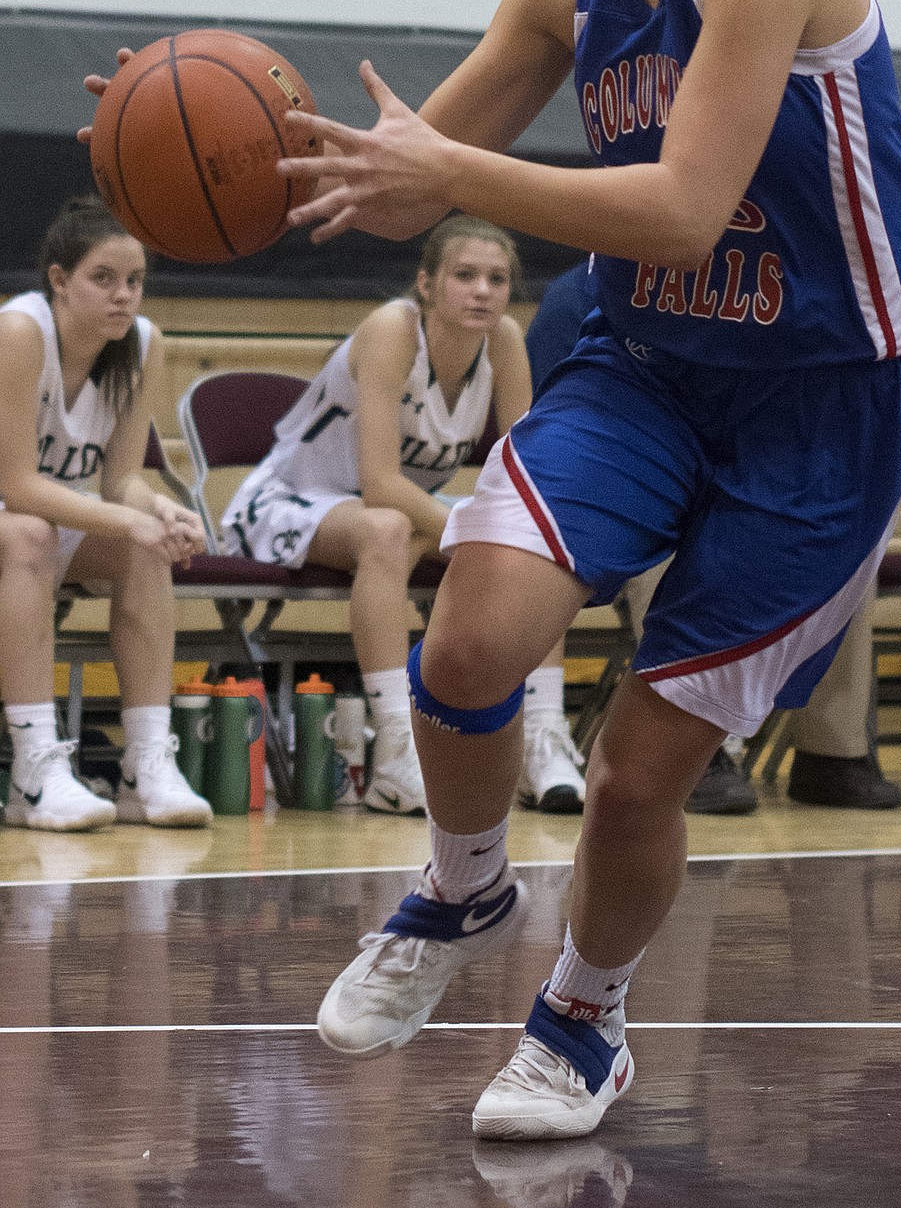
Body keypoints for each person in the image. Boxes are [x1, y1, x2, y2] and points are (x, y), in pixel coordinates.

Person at [287, 0, 901, 1138]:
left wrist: (454, 174)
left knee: (641, 770)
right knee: (472, 631)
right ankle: (458, 893)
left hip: (827, 398)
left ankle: (582, 1018)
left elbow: (679, 209)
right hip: (649, 363)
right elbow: (395, 184)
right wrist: (209, 132)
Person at [219, 216, 588, 815]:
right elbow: (382, 483)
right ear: (426, 283)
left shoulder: (505, 343)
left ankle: (542, 736)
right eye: (464, 276)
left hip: (395, 517)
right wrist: (474, 534)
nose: (482, 291)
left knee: (533, 543)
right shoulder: (393, 330)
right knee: (391, 529)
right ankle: (395, 748)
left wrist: (515, 534)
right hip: (285, 500)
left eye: (496, 279)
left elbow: (524, 474)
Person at [529, 263, 901, 811]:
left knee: (842, 547)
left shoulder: (755, 287)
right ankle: (698, 754)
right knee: (667, 556)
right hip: (633, 490)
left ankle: (833, 754)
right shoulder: (573, 300)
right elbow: (555, 431)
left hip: (743, 484)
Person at [0, 196, 212, 831]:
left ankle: (146, 765)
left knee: (148, 545)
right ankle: (34, 772)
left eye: (135, 281)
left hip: (31, 523)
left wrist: (164, 512)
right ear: (60, 280)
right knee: (33, 533)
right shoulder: (19, 332)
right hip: (20, 517)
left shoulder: (143, 344)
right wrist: (125, 519)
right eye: (104, 278)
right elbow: (16, 485)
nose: (124, 296)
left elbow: (121, 478)